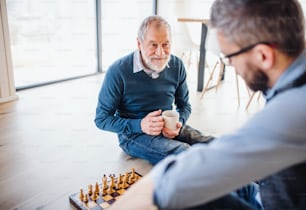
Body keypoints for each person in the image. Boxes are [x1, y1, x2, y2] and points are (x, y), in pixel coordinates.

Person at [108, 0, 306, 209]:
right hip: (267, 193)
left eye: (230, 56)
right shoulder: (293, 85)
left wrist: (150, 189)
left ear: (263, 55)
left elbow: (177, 180)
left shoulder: (293, 109)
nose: (230, 65)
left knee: (180, 190)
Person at [94, 15, 213, 165]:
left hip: (167, 126)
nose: (161, 53)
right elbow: (101, 119)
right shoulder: (118, 71)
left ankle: (249, 177)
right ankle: (241, 188)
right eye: (153, 45)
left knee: (213, 143)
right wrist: (140, 125)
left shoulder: (177, 65)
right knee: (185, 153)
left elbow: (184, 106)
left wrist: (179, 123)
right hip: (133, 134)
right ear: (139, 43)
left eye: (165, 44)